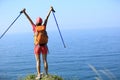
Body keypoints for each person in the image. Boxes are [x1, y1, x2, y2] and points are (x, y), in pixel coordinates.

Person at [20, 7, 54, 79]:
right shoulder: (44, 26)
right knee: (45, 60)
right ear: (41, 22)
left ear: (36, 22)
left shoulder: (34, 27)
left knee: (38, 61)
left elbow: (29, 19)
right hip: (44, 46)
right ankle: (46, 74)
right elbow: (46, 18)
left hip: (37, 47)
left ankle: (39, 75)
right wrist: (50, 10)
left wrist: (24, 12)